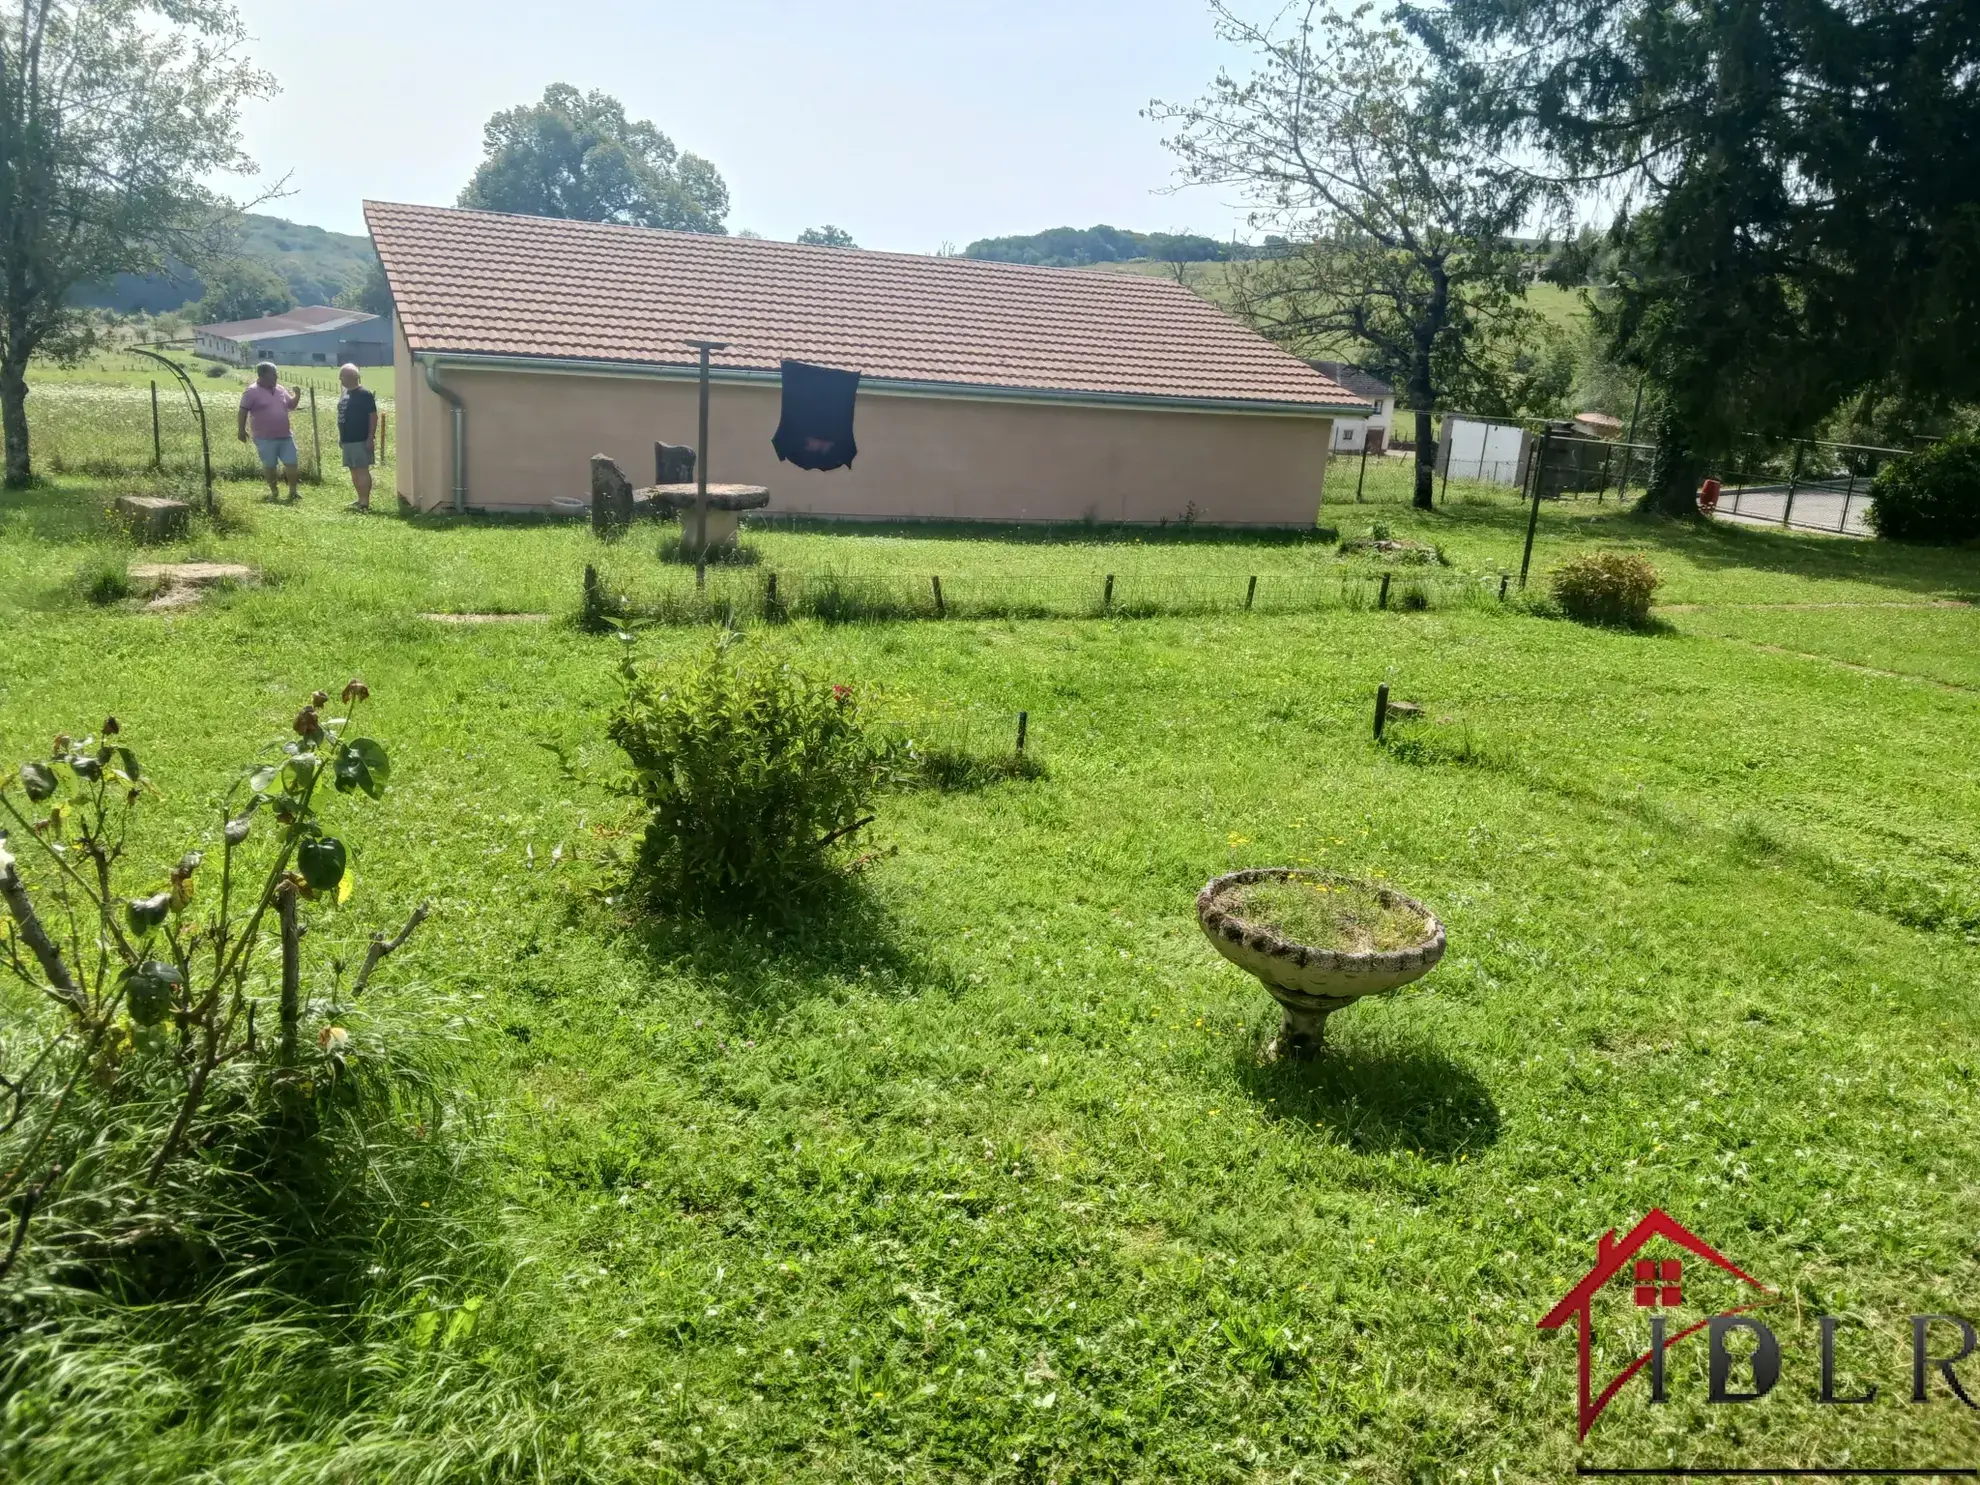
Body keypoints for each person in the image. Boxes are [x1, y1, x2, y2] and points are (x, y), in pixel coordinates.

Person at [237, 362, 302, 501]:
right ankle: (274, 492)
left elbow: (291, 406)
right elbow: (242, 411)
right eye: (274, 374)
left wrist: (297, 395)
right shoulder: (251, 391)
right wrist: (241, 430)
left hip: (285, 435)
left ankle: (293, 492)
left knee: (292, 463)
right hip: (264, 437)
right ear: (263, 375)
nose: (276, 376)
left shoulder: (280, 389)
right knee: (270, 466)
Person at [335, 363, 380, 511]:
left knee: (361, 470)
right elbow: (342, 416)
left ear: (351, 376)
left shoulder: (364, 394)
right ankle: (360, 498)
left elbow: (373, 416)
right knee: (353, 470)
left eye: (342, 376)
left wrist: (370, 437)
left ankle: (365, 503)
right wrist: (341, 437)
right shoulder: (345, 394)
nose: (340, 379)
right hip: (347, 439)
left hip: (360, 439)